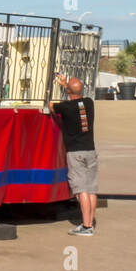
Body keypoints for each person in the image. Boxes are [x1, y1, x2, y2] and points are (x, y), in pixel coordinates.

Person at [46, 74, 98, 235]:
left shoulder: (66, 107)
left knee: (81, 189)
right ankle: (90, 222)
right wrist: (67, 85)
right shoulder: (89, 103)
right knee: (91, 189)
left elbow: (51, 106)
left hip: (76, 152)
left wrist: (61, 85)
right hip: (90, 150)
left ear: (68, 91)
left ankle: (87, 226)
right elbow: (75, 93)